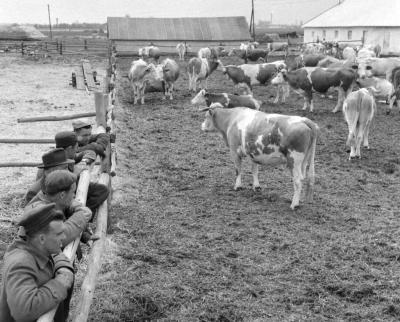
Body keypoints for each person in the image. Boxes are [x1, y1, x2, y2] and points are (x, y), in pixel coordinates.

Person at [0, 203, 75, 322]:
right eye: (59, 233)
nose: (64, 236)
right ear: (41, 238)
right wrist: (59, 284)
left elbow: (56, 254)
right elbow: (24, 311)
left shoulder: (38, 247)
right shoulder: (20, 263)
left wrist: (63, 266)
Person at [24, 170, 93, 247]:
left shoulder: (52, 198)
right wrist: (81, 217)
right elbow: (59, 238)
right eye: (73, 192)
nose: (74, 196)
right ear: (62, 195)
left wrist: (76, 207)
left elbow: (67, 207)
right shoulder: (40, 211)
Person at [54, 131, 110, 219]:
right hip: (61, 196)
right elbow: (59, 186)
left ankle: (84, 219)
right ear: (69, 148)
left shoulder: (66, 155)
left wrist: (84, 161)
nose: (77, 150)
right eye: (76, 148)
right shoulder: (54, 163)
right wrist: (76, 172)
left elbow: (87, 152)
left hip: (70, 188)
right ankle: (77, 218)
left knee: (102, 190)